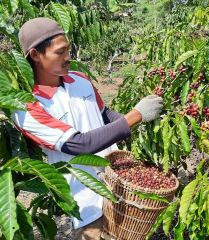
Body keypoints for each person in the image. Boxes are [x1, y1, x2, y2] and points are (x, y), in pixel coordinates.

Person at [12, 17, 163, 239]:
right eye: (60, 52)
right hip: (84, 195)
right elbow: (79, 144)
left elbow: (103, 113)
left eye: (68, 49)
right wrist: (135, 116)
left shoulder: (79, 79)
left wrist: (138, 125)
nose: (68, 57)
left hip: (117, 179)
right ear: (35, 55)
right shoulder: (28, 106)